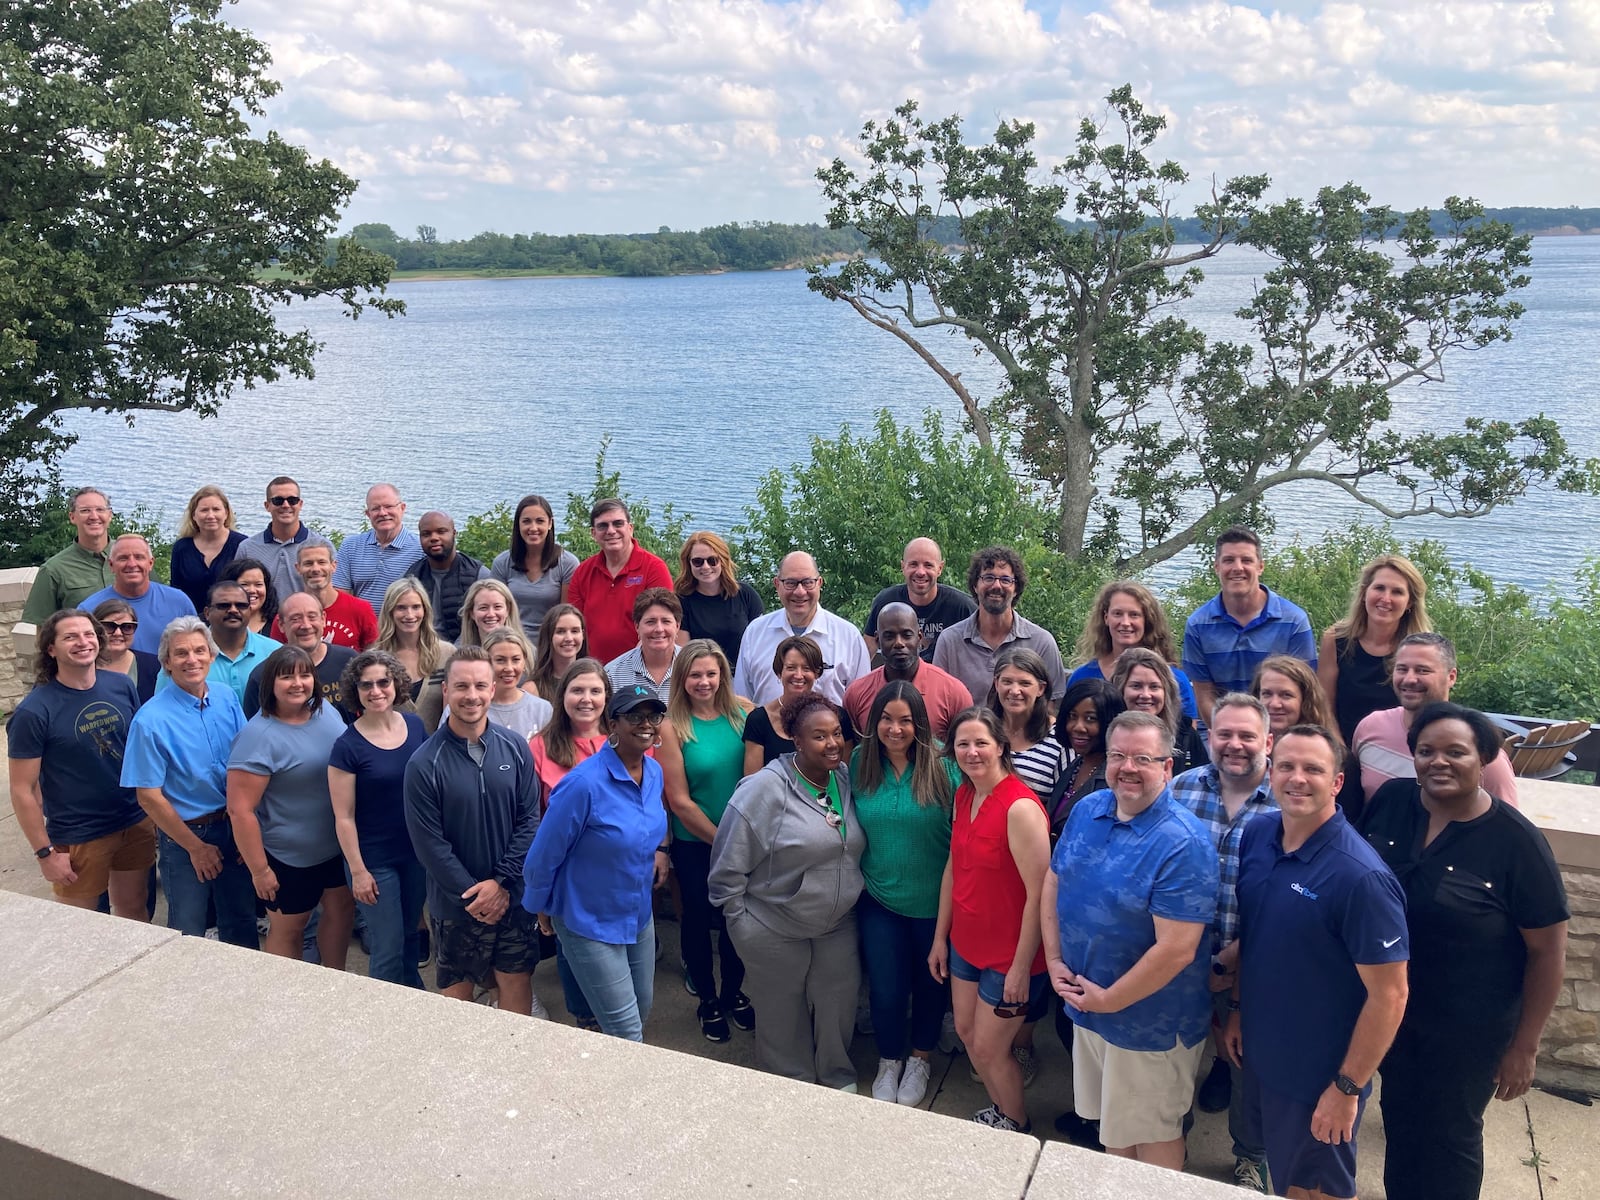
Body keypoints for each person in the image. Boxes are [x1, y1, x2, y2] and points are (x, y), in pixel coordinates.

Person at [1359, 702, 1569, 1200]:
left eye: (1456, 752)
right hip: (1391, 1012)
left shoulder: (1515, 843)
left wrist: (1524, 1047)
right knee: (1401, 1121)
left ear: (1485, 761)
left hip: (1468, 1030)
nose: (1439, 762)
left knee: (1450, 1139)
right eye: (1426, 751)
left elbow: (1548, 951)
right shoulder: (1392, 802)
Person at [1225, 725, 1409, 1200]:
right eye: (1286, 766)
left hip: (1321, 1073)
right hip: (1265, 1053)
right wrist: (1239, 1009)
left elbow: (1390, 994)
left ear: (1337, 783)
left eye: (1313, 769)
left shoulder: (1360, 877)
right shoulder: (1259, 833)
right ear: (1270, 772)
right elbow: (1255, 933)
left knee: (1315, 1190)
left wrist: (1347, 1088)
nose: (1297, 778)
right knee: (1285, 1179)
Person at [1045, 710, 1218, 1171]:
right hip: (1088, 1004)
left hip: (1148, 1025)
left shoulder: (1183, 843)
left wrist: (1109, 1000)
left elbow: (1177, 949)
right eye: (1118, 755)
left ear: (1167, 767)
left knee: (1153, 1141)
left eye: (1143, 757)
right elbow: (1054, 881)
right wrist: (1055, 957)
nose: (1127, 767)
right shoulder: (1088, 809)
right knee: (1114, 1132)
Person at [709, 693, 865, 1089]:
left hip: (836, 923)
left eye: (836, 733)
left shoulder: (844, 778)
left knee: (838, 1006)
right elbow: (726, 865)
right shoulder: (763, 789)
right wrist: (740, 923)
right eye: (819, 736)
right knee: (781, 1015)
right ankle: (791, 1086)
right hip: (773, 925)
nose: (832, 743)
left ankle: (836, 1076)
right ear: (795, 741)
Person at [1168, 694, 1277, 1191]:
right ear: (1208, 737)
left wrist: (1235, 956)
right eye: (1224, 734)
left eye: (1247, 736)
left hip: (1255, 963)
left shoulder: (1290, 798)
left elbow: (1290, 895)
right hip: (1177, 958)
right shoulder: (1181, 788)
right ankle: (1172, 1138)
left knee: (1245, 1065)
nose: (1234, 745)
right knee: (1175, 1055)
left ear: (1267, 742)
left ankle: (1251, 1156)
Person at [523, 684, 670, 1041]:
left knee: (642, 1009)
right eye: (634, 715)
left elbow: (652, 827)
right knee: (626, 1031)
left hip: (637, 915)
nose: (646, 723)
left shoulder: (653, 772)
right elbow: (544, 853)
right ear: (613, 724)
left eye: (653, 715)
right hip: (587, 920)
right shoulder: (582, 784)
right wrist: (540, 906)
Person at [931, 706, 1051, 1133]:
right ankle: (1001, 1111)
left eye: (981, 742)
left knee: (988, 1050)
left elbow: (1040, 894)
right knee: (967, 1034)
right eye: (962, 744)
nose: (971, 752)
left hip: (1008, 956)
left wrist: (1022, 969)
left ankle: (1015, 1122)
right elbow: (953, 864)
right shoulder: (965, 794)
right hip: (966, 943)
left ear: (1001, 746)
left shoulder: (1019, 808)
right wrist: (940, 937)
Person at [404, 647, 543, 1015]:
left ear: (493, 689)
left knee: (515, 984)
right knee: (457, 999)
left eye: (480, 685)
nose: (472, 695)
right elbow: (429, 845)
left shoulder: (515, 748)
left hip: (512, 897)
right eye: (461, 686)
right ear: (446, 691)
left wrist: (501, 884)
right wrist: (475, 896)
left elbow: (530, 820)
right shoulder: (423, 763)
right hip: (454, 906)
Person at [851, 681, 959, 1106]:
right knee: (886, 987)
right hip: (879, 900)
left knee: (931, 984)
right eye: (886, 719)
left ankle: (920, 1058)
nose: (895, 729)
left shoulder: (945, 768)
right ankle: (890, 1058)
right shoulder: (861, 762)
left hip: (934, 904)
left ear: (920, 724)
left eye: (906, 720)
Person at [119, 616, 257, 947]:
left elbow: (245, 760)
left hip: (233, 824)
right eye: (181, 653)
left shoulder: (225, 697)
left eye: (199, 650)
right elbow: (148, 797)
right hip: (186, 836)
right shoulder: (150, 721)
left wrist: (247, 829)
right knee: (188, 929)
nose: (192, 660)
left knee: (241, 919)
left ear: (211, 656)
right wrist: (196, 848)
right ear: (166, 662)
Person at [8, 610, 153, 919]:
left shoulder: (120, 685)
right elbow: (23, 789)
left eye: (88, 634)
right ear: (51, 649)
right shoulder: (34, 711)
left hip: (133, 819)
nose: (82, 642)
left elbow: (139, 751)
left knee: (135, 911)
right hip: (79, 834)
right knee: (79, 927)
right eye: (70, 637)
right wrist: (45, 853)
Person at [655, 640, 757, 1044]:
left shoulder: (745, 713)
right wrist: (724, 843)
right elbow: (679, 801)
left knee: (738, 922)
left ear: (723, 675)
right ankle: (708, 1001)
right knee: (697, 921)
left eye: (711, 674)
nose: (704, 681)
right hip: (696, 842)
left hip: (743, 840)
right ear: (682, 678)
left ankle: (734, 993)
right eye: (695, 674)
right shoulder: (670, 725)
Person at [226, 645, 353, 966]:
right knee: (290, 928)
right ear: (270, 683)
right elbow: (240, 810)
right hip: (287, 856)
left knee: (341, 913)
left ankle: (334, 981)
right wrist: (260, 870)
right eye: (286, 676)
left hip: (337, 847)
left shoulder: (327, 713)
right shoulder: (258, 736)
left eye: (305, 674)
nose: (298, 683)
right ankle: (283, 998)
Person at [329, 649, 430, 988]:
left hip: (414, 855)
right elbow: (343, 816)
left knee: (410, 937)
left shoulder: (415, 726)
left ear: (396, 683)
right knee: (387, 947)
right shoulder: (347, 745)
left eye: (383, 682)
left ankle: (413, 1003)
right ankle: (382, 1020)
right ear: (354, 691)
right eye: (366, 685)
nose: (376, 691)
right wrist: (358, 871)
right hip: (373, 861)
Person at [526, 656, 612, 1030]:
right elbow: (532, 818)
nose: (586, 698)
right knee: (571, 946)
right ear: (562, 696)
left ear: (607, 696)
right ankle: (584, 1016)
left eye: (595, 690)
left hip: (614, 867)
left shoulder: (623, 741)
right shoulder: (540, 747)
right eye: (577, 690)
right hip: (565, 869)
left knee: (614, 943)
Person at [1349, 632, 1518, 819]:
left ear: (1451, 677)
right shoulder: (1370, 728)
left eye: (1423, 670)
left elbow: (1507, 827)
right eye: (1402, 669)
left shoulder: (1480, 753)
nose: (1409, 679)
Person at [1181, 526, 1317, 723]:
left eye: (1246, 560)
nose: (1238, 568)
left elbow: (1303, 694)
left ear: (1260, 566)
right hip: (1221, 729)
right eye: (1229, 560)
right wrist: (1235, 736)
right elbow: (1205, 698)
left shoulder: (1294, 621)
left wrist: (1263, 740)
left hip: (1280, 729)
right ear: (1217, 567)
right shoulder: (1198, 625)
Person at [1317, 554, 1432, 744]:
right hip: (1343, 749)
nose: (1386, 598)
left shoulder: (1421, 649)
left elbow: (1432, 709)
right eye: (1379, 588)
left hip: (1401, 750)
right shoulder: (1335, 640)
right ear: (1364, 593)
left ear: (1409, 602)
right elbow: (1324, 707)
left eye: (1397, 592)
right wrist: (1342, 753)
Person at [932, 546, 1066, 707]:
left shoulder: (1042, 642)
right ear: (975, 585)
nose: (996, 585)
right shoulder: (950, 641)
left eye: (1005, 580)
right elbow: (938, 705)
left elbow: (1051, 708)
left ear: (1016, 588)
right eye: (988, 578)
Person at [733, 551, 870, 705]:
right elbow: (742, 701)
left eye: (807, 582)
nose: (800, 591)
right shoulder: (755, 632)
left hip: (829, 728)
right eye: (790, 583)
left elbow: (860, 703)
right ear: (777, 585)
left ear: (819, 583)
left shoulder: (848, 637)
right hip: (765, 728)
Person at [842, 602, 972, 742]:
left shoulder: (953, 693)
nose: (899, 643)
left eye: (907, 635)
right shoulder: (856, 694)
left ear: (919, 637)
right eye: (889, 636)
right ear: (878, 640)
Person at [1069, 580, 1198, 720]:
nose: (1125, 623)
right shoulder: (1082, 677)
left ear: (1147, 620)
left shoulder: (1175, 680)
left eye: (1134, 615)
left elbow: (1188, 737)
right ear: (1106, 618)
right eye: (1117, 614)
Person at [566, 498, 674, 664]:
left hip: (639, 668)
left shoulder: (654, 569)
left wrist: (624, 669)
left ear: (630, 528)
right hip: (592, 671)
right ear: (593, 533)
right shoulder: (583, 572)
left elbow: (659, 627)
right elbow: (573, 626)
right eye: (603, 526)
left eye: (618, 523)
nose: (611, 531)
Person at [742, 635, 855, 772]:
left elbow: (844, 774)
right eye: (791, 668)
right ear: (779, 672)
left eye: (806, 668)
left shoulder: (838, 717)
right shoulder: (758, 720)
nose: (799, 675)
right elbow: (751, 783)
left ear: (816, 673)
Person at [244, 591, 356, 722]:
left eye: (312, 617)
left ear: (323, 619)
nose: (306, 625)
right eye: (296, 619)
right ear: (281, 624)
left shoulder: (349, 662)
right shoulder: (262, 676)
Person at [863, 537, 977, 661]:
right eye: (913, 564)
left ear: (940, 568)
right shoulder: (886, 603)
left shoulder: (962, 607)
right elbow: (866, 653)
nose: (921, 572)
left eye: (928, 565)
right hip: (897, 677)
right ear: (903, 567)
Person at [80, 534, 195, 654]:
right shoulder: (89, 609)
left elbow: (196, 647)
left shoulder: (179, 602)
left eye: (139, 557)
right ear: (111, 565)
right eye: (123, 558)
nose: (131, 564)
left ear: (150, 563)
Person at [169, 580, 279, 704]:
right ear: (207, 613)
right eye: (224, 605)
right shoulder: (183, 658)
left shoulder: (275, 652)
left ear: (249, 610)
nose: (233, 610)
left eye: (241, 605)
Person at [490, 494, 579, 643]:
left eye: (540, 521)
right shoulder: (502, 563)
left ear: (550, 523)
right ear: (518, 524)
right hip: (511, 643)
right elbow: (496, 613)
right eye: (526, 521)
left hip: (552, 644)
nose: (533, 528)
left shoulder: (567, 563)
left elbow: (566, 617)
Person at [21, 486, 114, 623]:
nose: (94, 516)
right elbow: (44, 632)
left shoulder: (135, 557)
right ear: (72, 517)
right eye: (85, 511)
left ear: (110, 515)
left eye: (100, 509)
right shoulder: (53, 570)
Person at [1043, 679, 1119, 846]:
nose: (1078, 727)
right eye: (1072, 716)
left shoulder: (1115, 779)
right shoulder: (1075, 765)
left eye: (1090, 719)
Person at [1109, 647, 1207, 773]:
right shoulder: (1104, 733)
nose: (1145, 695)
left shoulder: (1186, 735)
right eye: (1136, 686)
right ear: (1120, 689)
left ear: (1166, 692)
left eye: (1154, 687)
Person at [987, 646, 1068, 798]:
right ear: (997, 684)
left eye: (1024, 683)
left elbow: (1064, 804)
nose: (1015, 691)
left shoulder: (1060, 739)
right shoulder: (984, 730)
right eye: (1007, 682)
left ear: (1041, 689)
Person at [673, 531, 763, 665]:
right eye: (698, 562)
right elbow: (683, 654)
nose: (705, 567)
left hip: (743, 676)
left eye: (712, 560)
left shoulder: (746, 595)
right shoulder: (682, 601)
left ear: (722, 561)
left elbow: (761, 643)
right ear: (689, 564)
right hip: (702, 678)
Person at [268, 541, 377, 649]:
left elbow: (373, 656)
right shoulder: (288, 616)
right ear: (298, 568)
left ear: (333, 566)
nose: (315, 569)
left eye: (321, 562)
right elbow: (277, 658)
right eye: (308, 563)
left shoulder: (361, 609)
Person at [239, 476, 332, 600]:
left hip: (305, 618)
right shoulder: (247, 548)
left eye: (292, 500)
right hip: (263, 619)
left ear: (300, 504)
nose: (286, 505)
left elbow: (331, 592)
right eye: (278, 500)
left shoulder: (322, 547)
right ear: (267, 506)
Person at [333, 483, 422, 609]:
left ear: (402, 508)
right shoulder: (350, 546)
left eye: (388, 506)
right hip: (361, 626)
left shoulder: (420, 549)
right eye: (375, 508)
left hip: (402, 626)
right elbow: (341, 596)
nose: (383, 513)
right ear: (368, 514)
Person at [404, 510, 489, 642]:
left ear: (454, 533)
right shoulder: (412, 577)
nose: (434, 538)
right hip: (422, 650)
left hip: (468, 652)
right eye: (426, 534)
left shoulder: (478, 575)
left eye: (441, 531)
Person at [168, 485, 247, 612]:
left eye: (216, 509)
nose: (210, 515)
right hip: (190, 621)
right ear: (194, 515)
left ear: (226, 513)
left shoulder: (242, 545)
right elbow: (175, 592)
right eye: (204, 510)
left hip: (231, 620)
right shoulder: (181, 548)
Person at [374, 577, 452, 703]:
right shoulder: (375, 658)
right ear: (390, 612)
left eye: (416, 607)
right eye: (401, 608)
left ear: (425, 610)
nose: (410, 615)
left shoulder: (447, 653)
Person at [604, 587, 682, 701]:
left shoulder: (693, 667)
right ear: (637, 627)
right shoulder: (613, 674)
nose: (659, 629)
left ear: (677, 626)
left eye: (666, 621)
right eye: (650, 622)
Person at [479, 627, 553, 738]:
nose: (509, 668)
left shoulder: (542, 709)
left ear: (524, 661)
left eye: (515, 660)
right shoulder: (468, 707)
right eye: (500, 660)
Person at [91, 597, 161, 703]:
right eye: (109, 626)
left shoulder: (155, 665)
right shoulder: (82, 666)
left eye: (127, 627)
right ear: (95, 629)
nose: (118, 633)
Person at [1251, 654, 1333, 738]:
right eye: (1267, 694)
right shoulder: (1241, 746)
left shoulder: (1324, 749)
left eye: (1286, 695)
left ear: (1306, 700)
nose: (1274, 704)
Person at [528, 603, 587, 704]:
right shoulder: (533, 689)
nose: (569, 638)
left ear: (583, 635)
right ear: (548, 636)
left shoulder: (594, 681)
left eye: (574, 631)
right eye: (560, 631)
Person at [218, 556, 278, 637]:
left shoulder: (279, 622)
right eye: (244, 585)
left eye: (258, 584)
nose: (252, 590)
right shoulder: (211, 621)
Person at [455, 577, 522, 649]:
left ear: (508, 610)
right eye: (483, 608)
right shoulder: (458, 655)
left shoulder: (528, 654)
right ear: (471, 613)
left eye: (497, 607)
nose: (491, 614)